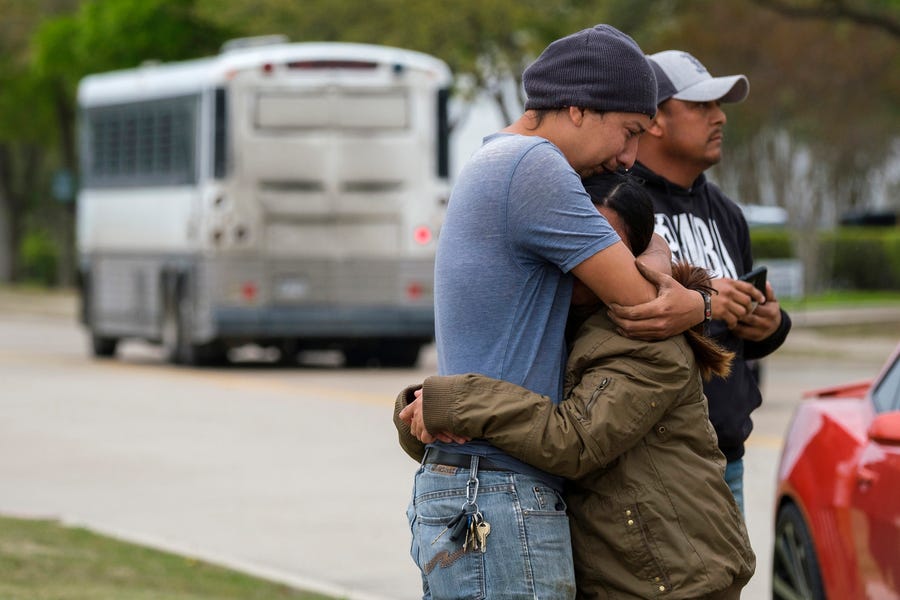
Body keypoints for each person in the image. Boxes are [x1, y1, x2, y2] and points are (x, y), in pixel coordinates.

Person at [400, 26, 708, 600]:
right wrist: (692, 293)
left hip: (480, 485)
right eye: (629, 131)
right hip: (498, 491)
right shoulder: (535, 167)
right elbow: (644, 306)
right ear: (577, 108)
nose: (629, 157)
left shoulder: (497, 160)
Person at [396, 171, 756, 599]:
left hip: (677, 581)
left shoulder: (647, 338)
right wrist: (422, 412)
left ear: (634, 256)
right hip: (623, 576)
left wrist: (455, 403)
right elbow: (504, 417)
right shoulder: (556, 320)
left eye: (602, 246)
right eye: (573, 240)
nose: (583, 258)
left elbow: (576, 440)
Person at [609, 50, 792, 512]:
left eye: (720, 106)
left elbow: (742, 341)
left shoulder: (727, 212)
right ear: (653, 120)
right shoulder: (616, 205)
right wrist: (706, 301)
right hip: (654, 463)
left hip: (728, 458)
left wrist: (769, 324)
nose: (720, 118)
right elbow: (607, 321)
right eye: (701, 106)